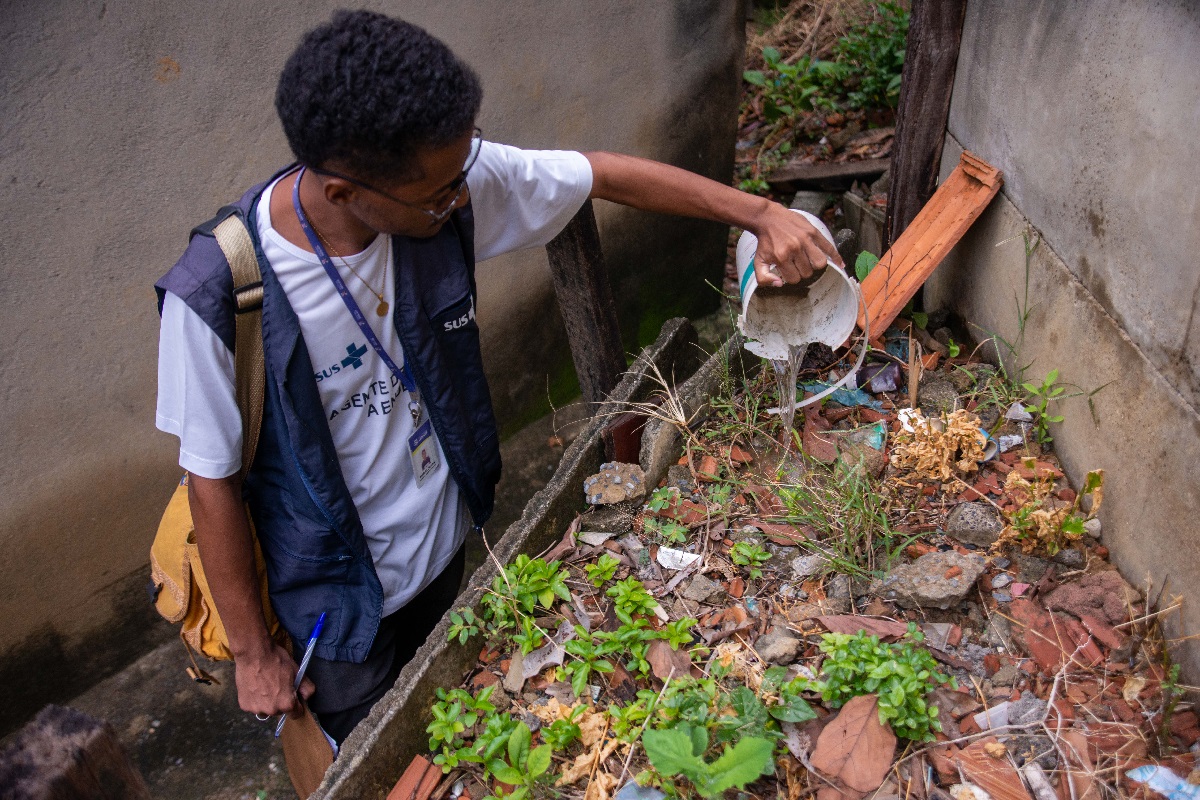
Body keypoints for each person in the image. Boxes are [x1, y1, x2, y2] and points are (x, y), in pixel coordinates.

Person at [155, 9, 840, 747]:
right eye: (441, 192)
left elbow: (600, 173)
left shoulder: (438, 184)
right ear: (346, 193)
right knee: (373, 754)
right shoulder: (221, 297)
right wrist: (256, 654)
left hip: (448, 544)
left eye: (464, 170)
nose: (462, 195)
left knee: (466, 735)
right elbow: (212, 479)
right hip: (339, 611)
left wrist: (761, 213)